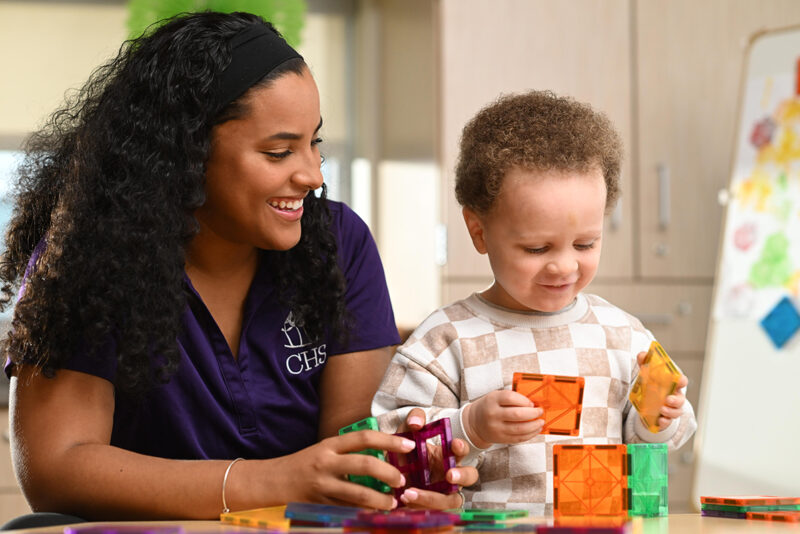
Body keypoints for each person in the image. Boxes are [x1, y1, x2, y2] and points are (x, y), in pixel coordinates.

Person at [0, 11, 476, 521]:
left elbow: (353, 447)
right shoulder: (88, 258)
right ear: (185, 155)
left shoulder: (339, 244)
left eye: (313, 142)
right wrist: (272, 479)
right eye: (278, 152)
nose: (314, 175)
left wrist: (399, 477)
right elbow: (56, 470)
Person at [371, 90, 697, 512]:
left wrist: (658, 419)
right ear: (479, 232)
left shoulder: (623, 335)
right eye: (537, 249)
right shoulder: (446, 340)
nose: (563, 267)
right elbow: (390, 451)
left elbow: (651, 448)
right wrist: (469, 426)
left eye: (585, 243)